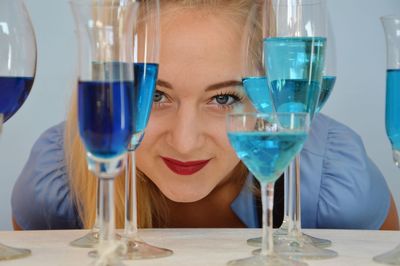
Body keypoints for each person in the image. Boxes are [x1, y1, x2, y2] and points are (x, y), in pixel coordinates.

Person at [11, 0, 399, 231]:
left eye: (225, 99)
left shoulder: (334, 183)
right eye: (157, 94)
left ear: (267, 90)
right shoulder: (57, 184)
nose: (185, 141)